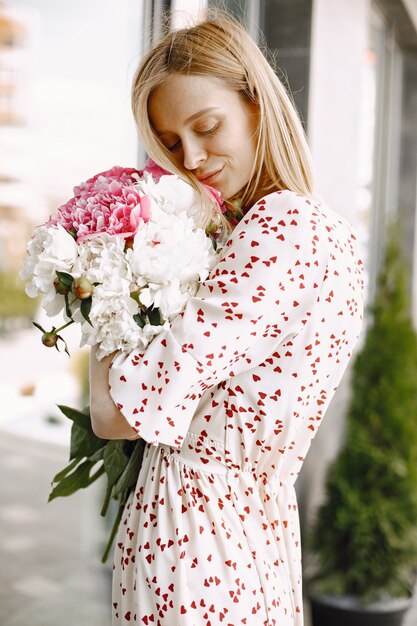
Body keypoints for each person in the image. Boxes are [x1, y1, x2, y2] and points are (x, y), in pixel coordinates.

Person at [89, 10, 365, 626]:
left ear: (257, 105)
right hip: (249, 538)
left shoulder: (280, 229)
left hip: (196, 543)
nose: (192, 156)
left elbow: (112, 413)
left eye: (207, 126)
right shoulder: (330, 235)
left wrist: (105, 274)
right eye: (169, 141)